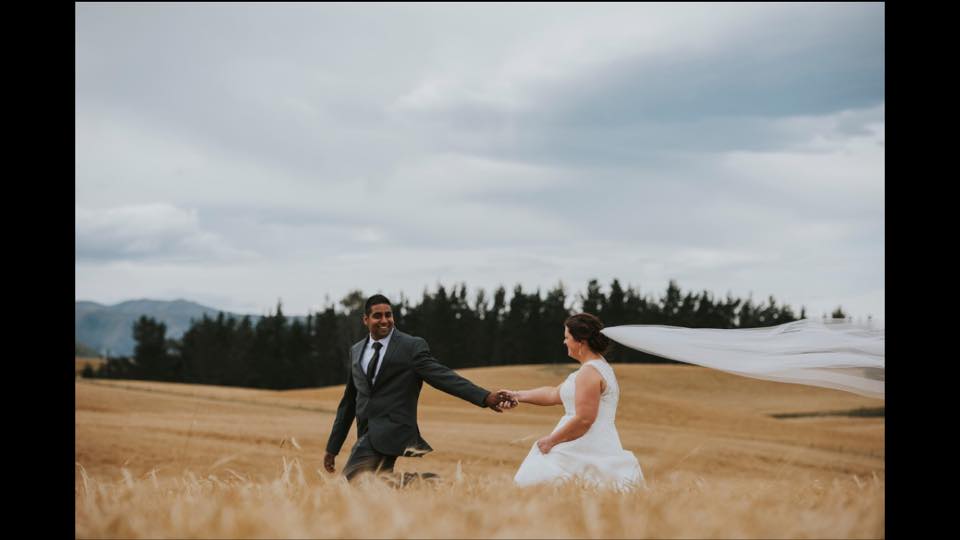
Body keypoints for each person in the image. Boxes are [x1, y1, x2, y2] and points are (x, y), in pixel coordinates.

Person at [324, 294, 516, 484]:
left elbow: (443, 377)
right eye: (378, 316)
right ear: (366, 319)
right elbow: (349, 402)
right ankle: (423, 484)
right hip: (366, 432)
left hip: (393, 429)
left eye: (388, 315)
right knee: (374, 491)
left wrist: (485, 397)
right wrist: (333, 447)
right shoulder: (356, 351)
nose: (385, 320)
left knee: (350, 482)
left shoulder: (410, 346)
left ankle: (425, 483)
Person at [500, 313, 644, 490]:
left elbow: (584, 419)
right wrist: (516, 395)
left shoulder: (590, 372)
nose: (564, 342)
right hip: (587, 439)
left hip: (585, 443)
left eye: (567, 337)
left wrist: (551, 441)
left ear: (581, 341)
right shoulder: (594, 369)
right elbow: (553, 394)